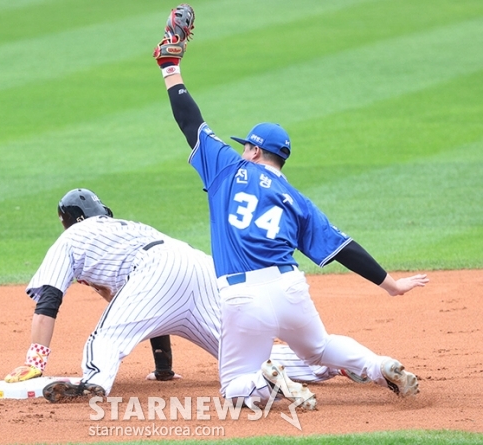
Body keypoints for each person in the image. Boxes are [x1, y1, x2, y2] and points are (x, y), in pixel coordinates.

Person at [153, 4, 429, 409]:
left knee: (233, 385)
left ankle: (268, 379)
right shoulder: (298, 201)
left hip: (242, 297)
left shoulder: (229, 168)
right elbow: (344, 249)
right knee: (318, 348)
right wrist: (391, 284)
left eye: (243, 144)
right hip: (289, 288)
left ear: (252, 150)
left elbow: (189, 121)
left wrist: (169, 66)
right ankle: (379, 365)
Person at [5, 188, 353, 403]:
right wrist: (163, 370)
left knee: (104, 340)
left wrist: (35, 363)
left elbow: (48, 300)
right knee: (237, 357)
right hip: (190, 262)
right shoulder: (125, 228)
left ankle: (93, 383)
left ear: (68, 221)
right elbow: (152, 310)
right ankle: (329, 364)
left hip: (153, 269)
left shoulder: (70, 239)